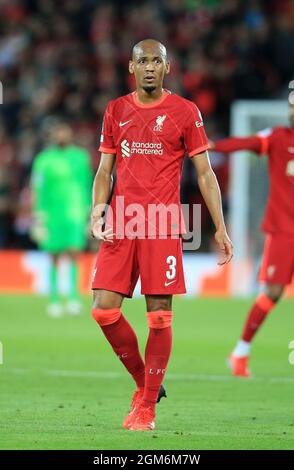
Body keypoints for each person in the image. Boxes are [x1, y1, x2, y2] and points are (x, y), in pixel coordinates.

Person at [91, 39, 233, 431]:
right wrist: (99, 208)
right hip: (122, 221)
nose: (150, 67)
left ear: (167, 68)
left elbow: (205, 173)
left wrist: (220, 226)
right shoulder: (115, 110)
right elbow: (105, 170)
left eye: (157, 60)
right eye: (142, 61)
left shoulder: (185, 112)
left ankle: (146, 408)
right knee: (103, 309)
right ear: (131, 68)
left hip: (162, 223)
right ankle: (146, 384)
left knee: (158, 317)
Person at [209, 103, 294, 378]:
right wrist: (212, 145)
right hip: (284, 230)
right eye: (292, 107)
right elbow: (245, 142)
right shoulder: (278, 137)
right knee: (272, 292)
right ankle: (240, 353)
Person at [31, 123, 92, 317]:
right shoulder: (43, 160)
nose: (61, 135)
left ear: (70, 135)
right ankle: (55, 299)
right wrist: (37, 215)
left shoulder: (80, 158)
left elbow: (88, 184)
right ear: (53, 136)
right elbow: (37, 188)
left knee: (74, 253)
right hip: (51, 214)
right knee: (54, 256)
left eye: (64, 132)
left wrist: (90, 211)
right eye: (58, 132)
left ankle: (73, 297)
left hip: (75, 213)